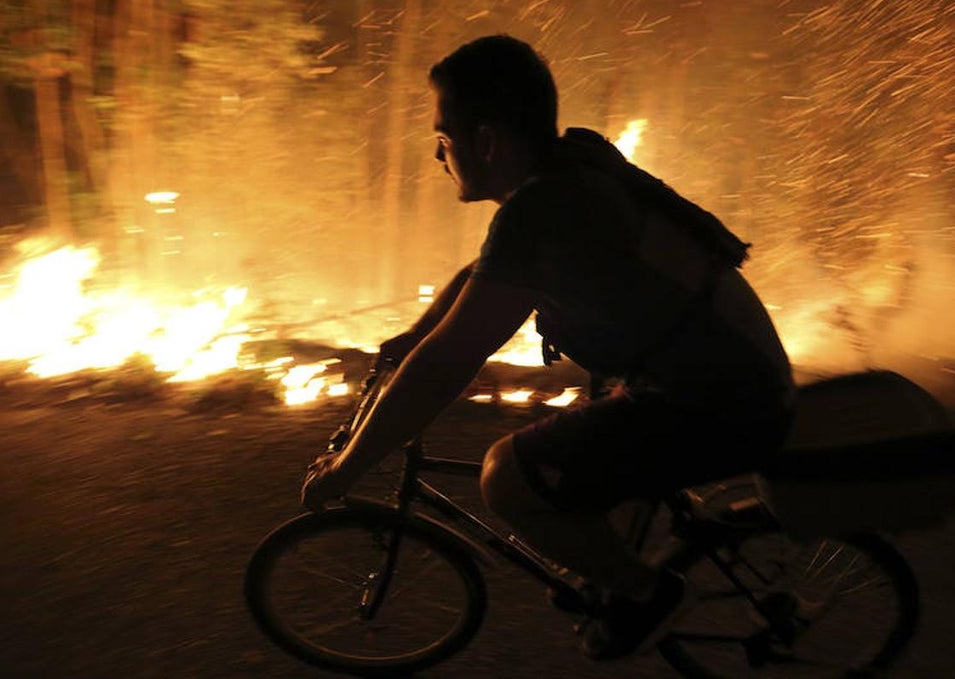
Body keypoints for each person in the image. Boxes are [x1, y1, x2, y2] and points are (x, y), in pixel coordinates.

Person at [302, 34, 795, 660]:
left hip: (718, 401)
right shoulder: (569, 166)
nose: (436, 153)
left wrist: (350, 468)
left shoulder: (546, 208)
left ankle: (650, 595)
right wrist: (412, 335)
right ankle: (621, 574)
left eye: (444, 135)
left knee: (507, 476)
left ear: (485, 141)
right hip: (722, 376)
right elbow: (487, 274)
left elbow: (448, 366)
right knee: (582, 470)